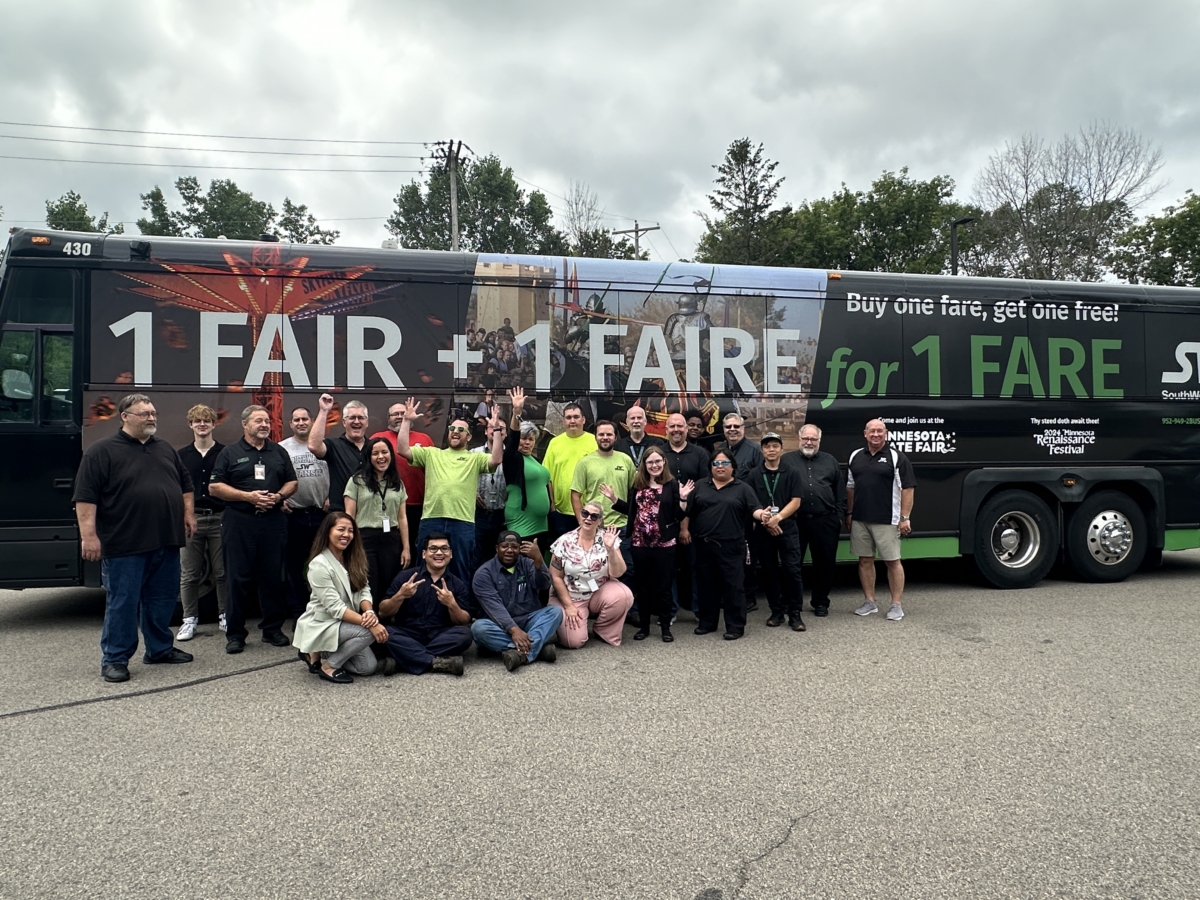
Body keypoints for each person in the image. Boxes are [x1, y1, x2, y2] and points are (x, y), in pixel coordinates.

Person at [73, 393, 196, 683]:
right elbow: (85, 498)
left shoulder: (164, 448)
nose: (151, 417)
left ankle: (159, 649)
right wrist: (88, 537)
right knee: (123, 603)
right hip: (124, 544)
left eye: (153, 412)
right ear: (125, 417)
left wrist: (188, 515)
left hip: (165, 540)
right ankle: (115, 659)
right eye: (144, 413)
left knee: (162, 600)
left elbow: (185, 484)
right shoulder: (101, 451)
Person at [209, 405, 298, 654]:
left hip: (272, 522)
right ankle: (235, 634)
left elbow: (293, 482)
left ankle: (272, 630)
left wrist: (279, 497)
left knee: (272, 577)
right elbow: (215, 487)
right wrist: (248, 497)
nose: (264, 424)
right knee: (237, 578)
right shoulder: (230, 452)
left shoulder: (278, 452)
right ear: (245, 424)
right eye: (258, 420)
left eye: (267, 420)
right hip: (240, 522)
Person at [395, 398, 503, 585]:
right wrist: (406, 421)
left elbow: (496, 459)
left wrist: (496, 430)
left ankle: (460, 610)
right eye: (453, 429)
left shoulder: (474, 458)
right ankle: (424, 608)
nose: (456, 432)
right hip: (431, 519)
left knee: (460, 568)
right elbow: (402, 449)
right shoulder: (432, 453)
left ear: (469, 437)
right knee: (424, 569)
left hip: (463, 522)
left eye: (461, 430)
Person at [293, 512, 393, 683]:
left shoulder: (354, 558)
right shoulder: (319, 564)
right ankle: (329, 666)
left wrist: (369, 612)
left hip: (346, 622)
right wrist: (371, 623)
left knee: (367, 668)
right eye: (341, 529)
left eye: (351, 531)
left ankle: (318, 652)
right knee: (368, 632)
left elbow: (364, 590)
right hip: (324, 622)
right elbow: (336, 608)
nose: (346, 534)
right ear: (327, 532)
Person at [682, 448, 770, 641]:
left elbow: (754, 509)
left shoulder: (743, 488)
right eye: (716, 463)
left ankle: (735, 626)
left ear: (733, 467)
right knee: (706, 586)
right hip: (704, 545)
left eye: (724, 463)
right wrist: (684, 530)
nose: (720, 467)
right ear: (710, 467)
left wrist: (762, 515)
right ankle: (707, 623)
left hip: (731, 546)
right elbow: (688, 512)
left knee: (733, 587)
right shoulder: (700, 486)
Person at [605, 447, 685, 642]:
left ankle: (665, 627)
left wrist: (683, 498)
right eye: (650, 462)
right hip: (640, 543)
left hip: (664, 544)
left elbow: (678, 515)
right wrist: (614, 499)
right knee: (643, 587)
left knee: (664, 587)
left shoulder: (672, 484)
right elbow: (631, 511)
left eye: (658, 461)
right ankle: (644, 627)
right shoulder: (638, 484)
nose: (654, 465)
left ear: (664, 462)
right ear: (644, 465)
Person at [847, 419, 916, 621]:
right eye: (872, 431)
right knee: (865, 561)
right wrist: (849, 513)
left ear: (886, 433)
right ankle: (870, 602)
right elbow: (850, 487)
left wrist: (904, 518)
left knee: (893, 562)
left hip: (887, 519)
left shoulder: (896, 457)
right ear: (865, 433)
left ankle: (896, 604)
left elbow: (908, 488)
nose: (876, 434)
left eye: (880, 431)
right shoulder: (855, 456)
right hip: (860, 519)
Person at [378, 533, 474, 676]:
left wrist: (452, 604)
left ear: (451, 554)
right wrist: (400, 595)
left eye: (444, 549)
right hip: (408, 633)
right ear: (424, 554)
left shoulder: (457, 584)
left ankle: (404, 659)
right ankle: (435, 662)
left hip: (440, 635)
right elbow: (382, 612)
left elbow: (463, 621)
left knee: (465, 635)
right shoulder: (406, 577)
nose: (439, 553)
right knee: (386, 632)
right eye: (433, 549)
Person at [471, 531, 561, 671]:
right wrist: (514, 631)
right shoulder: (484, 573)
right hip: (499, 626)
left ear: (520, 549)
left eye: (514, 546)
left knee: (555, 612)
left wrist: (539, 560)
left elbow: (543, 585)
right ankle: (537, 648)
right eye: (504, 546)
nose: (509, 550)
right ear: (497, 548)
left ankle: (520, 652)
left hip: (528, 620)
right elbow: (495, 608)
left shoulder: (527, 564)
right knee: (478, 628)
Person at [782, 424, 845, 617]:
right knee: (792, 564)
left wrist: (839, 517)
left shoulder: (830, 461)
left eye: (813, 439)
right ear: (799, 439)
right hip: (795, 521)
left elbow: (840, 491)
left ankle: (820, 602)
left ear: (819, 441)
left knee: (824, 564)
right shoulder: (787, 460)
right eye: (806, 438)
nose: (809, 442)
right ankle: (791, 602)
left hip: (825, 520)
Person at [549, 503, 633, 648]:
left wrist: (610, 550)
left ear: (600, 520)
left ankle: (603, 629)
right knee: (573, 642)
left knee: (624, 595)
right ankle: (570, 617)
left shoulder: (608, 538)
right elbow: (555, 576)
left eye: (594, 516)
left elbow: (618, 573)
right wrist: (569, 606)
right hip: (571, 595)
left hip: (597, 590)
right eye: (585, 513)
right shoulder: (564, 541)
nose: (588, 518)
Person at [745, 433, 806, 631]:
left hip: (787, 528)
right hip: (763, 530)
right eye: (767, 446)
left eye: (775, 446)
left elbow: (796, 501)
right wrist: (766, 521)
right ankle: (776, 611)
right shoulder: (754, 474)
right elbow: (751, 502)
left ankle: (795, 613)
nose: (771, 450)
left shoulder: (792, 472)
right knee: (769, 572)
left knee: (792, 571)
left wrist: (778, 518)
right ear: (762, 450)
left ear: (781, 449)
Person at [176, 404, 226, 641]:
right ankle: (189, 620)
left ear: (214, 424)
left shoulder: (225, 453)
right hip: (191, 519)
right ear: (190, 425)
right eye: (197, 421)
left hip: (220, 518)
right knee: (189, 574)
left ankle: (225, 615)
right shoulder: (181, 456)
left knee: (222, 572)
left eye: (206, 420)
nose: (202, 424)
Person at [570, 419, 636, 595]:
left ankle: (629, 610)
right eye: (601, 434)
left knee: (627, 569)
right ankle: (596, 606)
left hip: (621, 527)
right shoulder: (585, 462)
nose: (605, 438)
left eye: (609, 434)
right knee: (594, 570)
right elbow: (575, 494)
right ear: (596, 437)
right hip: (595, 527)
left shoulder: (626, 460)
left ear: (615, 437)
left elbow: (634, 491)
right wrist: (583, 523)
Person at [344, 437, 409, 608]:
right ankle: (369, 621)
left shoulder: (397, 483)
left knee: (389, 581)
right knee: (368, 583)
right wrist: (350, 543)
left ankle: (386, 624)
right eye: (375, 453)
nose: (381, 457)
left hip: (391, 539)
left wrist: (406, 548)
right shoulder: (356, 481)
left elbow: (402, 517)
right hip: (364, 538)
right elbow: (349, 514)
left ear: (391, 455)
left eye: (384, 452)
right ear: (368, 457)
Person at [281, 406, 330, 621]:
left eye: (304, 419)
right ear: (291, 424)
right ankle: (299, 612)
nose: (301, 422)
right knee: (293, 566)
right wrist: (279, 500)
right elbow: (274, 477)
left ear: (312, 421)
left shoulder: (324, 446)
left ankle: (322, 610)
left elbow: (339, 475)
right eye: (296, 419)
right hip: (294, 515)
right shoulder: (281, 449)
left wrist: (333, 496)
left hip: (322, 515)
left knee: (324, 565)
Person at [371, 401, 434, 562]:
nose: (399, 417)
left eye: (402, 413)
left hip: (418, 505)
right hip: (388, 505)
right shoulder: (378, 438)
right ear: (388, 419)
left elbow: (434, 470)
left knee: (416, 550)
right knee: (391, 552)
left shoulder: (424, 439)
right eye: (395, 414)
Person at [663, 412, 708, 618]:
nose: (676, 430)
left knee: (696, 567)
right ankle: (670, 610)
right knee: (668, 569)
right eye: (672, 426)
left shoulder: (700, 454)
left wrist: (686, 526)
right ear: (666, 430)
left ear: (686, 429)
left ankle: (700, 610)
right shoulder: (659, 455)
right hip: (666, 522)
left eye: (680, 426)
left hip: (696, 522)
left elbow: (704, 489)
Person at [720, 411, 763, 612]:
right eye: (729, 427)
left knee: (747, 556)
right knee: (727, 556)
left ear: (743, 429)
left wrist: (757, 514)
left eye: (736, 426)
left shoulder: (755, 450)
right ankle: (729, 593)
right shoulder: (720, 451)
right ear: (724, 430)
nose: (732, 430)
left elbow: (760, 484)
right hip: (725, 515)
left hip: (747, 516)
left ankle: (749, 596)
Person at [503, 387, 553, 547]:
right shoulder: (513, 459)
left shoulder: (535, 460)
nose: (526, 442)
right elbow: (512, 439)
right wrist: (516, 412)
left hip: (541, 523)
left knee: (537, 564)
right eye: (523, 439)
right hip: (521, 521)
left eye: (530, 439)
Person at [541, 402, 597, 539]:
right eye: (568, 417)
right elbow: (547, 478)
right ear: (563, 421)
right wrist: (552, 508)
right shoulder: (555, 443)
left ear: (583, 420)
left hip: (589, 511)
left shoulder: (594, 441)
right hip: (561, 512)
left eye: (576, 417)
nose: (572, 421)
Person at [308, 394, 368, 513]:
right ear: (344, 422)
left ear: (367, 422)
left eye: (361, 418)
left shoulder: (373, 448)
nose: (356, 421)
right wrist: (324, 411)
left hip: (369, 513)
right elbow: (313, 446)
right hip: (340, 512)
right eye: (352, 418)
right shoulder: (334, 445)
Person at [473, 416, 508, 565]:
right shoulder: (473, 453)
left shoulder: (512, 456)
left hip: (503, 517)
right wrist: (470, 491)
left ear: (505, 433)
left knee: (499, 559)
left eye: (500, 428)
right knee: (475, 558)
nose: (496, 431)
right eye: (492, 428)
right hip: (478, 515)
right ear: (486, 431)